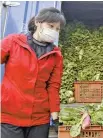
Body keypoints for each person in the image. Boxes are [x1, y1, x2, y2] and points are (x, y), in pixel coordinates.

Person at [1, 7, 66, 138]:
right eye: (51, 26)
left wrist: (55, 112)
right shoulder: (14, 42)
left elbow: (53, 86)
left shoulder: (56, 55)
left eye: (57, 29)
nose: (53, 31)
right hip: (11, 115)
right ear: (38, 22)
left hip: (39, 117)